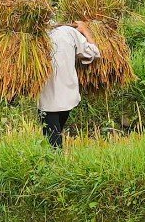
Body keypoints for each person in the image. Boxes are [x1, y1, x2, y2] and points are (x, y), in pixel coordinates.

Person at [38, 14, 103, 148]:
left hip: (47, 97)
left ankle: (55, 163)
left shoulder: (35, 35)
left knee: (52, 139)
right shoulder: (69, 32)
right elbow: (94, 52)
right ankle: (57, 163)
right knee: (55, 135)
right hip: (67, 95)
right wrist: (85, 30)